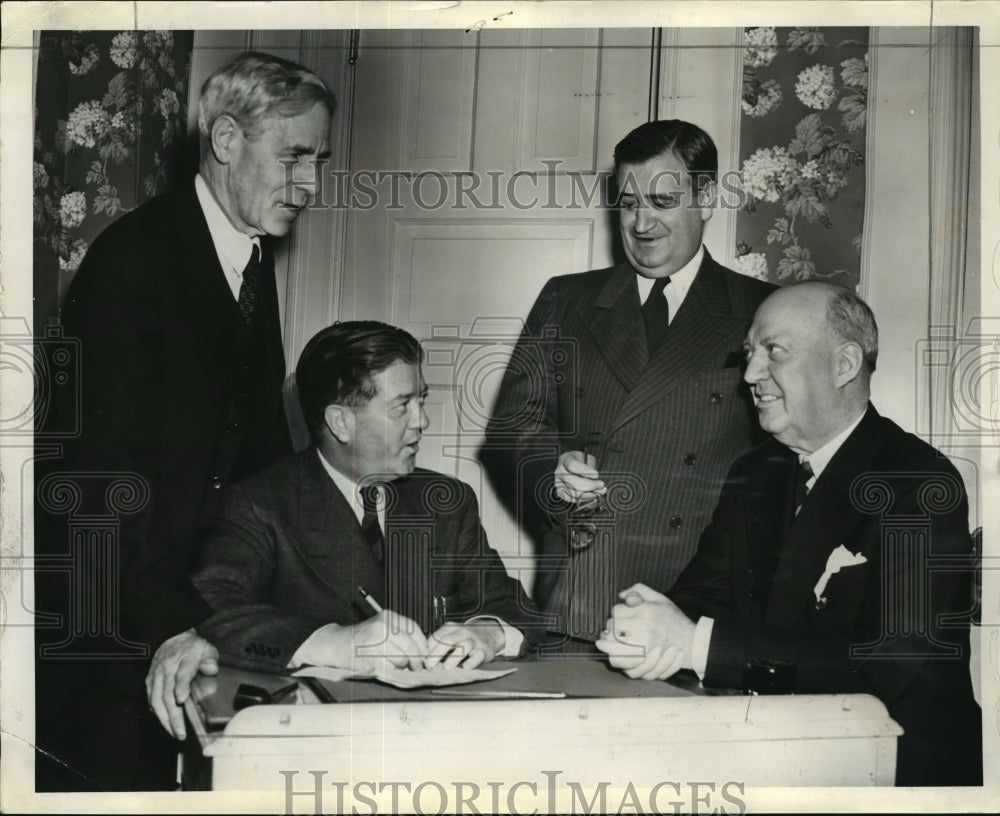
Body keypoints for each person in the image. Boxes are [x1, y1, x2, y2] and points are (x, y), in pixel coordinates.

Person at [34, 52, 334, 791]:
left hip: (198, 616)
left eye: (321, 160)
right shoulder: (133, 263)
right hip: (113, 629)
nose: (312, 185)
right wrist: (173, 624)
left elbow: (257, 459)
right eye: (294, 156)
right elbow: (99, 476)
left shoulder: (249, 260)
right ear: (226, 140)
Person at [597, 282, 982, 786]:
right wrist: (650, 630)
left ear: (844, 365)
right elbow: (703, 593)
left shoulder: (920, 483)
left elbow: (885, 665)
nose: (750, 374)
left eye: (773, 352)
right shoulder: (757, 471)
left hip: (898, 769)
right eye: (750, 353)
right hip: (778, 751)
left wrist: (695, 644)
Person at [481, 119, 775, 647]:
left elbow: (790, 456)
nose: (641, 223)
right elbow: (509, 430)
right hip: (585, 591)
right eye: (628, 202)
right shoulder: (566, 300)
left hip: (702, 599)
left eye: (662, 202)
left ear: (705, 198)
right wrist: (552, 472)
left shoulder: (760, 308)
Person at [190, 321, 543, 675]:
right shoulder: (257, 504)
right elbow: (211, 609)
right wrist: (334, 642)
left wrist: (487, 632)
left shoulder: (447, 502)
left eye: (421, 399)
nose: (423, 420)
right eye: (402, 405)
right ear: (341, 423)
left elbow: (513, 606)